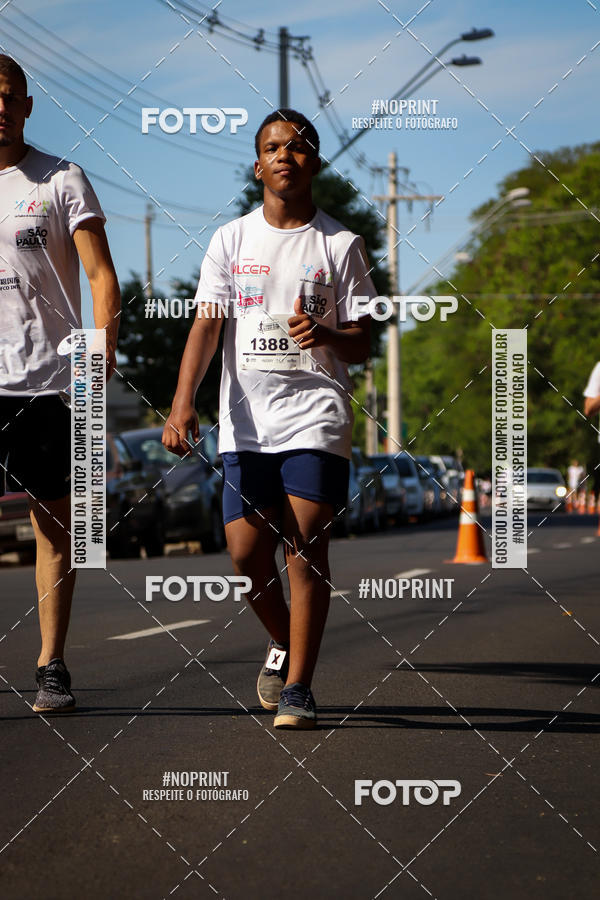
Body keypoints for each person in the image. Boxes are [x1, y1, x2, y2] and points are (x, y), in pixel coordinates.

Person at [163, 109, 375, 729]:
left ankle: (300, 690)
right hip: (245, 420)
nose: (286, 154)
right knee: (244, 553)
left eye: (300, 146)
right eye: (273, 147)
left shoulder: (341, 244)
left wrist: (331, 332)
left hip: (316, 411)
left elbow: (364, 340)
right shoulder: (230, 240)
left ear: (315, 161)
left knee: (305, 547)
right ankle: (283, 642)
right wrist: (183, 403)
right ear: (258, 165)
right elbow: (206, 325)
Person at [0, 56, 120, 712]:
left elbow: (102, 277)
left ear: (27, 105)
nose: (0, 106)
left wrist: (97, 361)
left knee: (55, 527)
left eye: (8, 96)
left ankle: (51, 664)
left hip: (49, 381)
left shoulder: (61, 179)